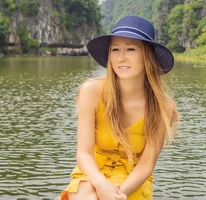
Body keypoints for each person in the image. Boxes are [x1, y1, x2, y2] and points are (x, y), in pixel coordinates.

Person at [59, 15, 179, 200]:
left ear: (147, 56)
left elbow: (147, 164)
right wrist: (100, 184)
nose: (121, 57)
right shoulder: (91, 91)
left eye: (131, 49)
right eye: (115, 49)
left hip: (133, 181)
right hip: (91, 175)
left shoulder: (164, 107)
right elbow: (83, 153)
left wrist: (117, 195)